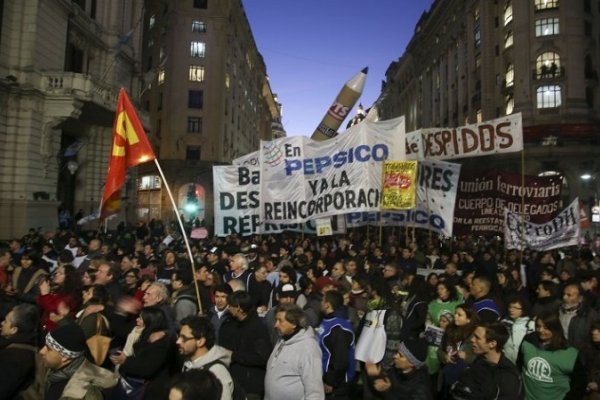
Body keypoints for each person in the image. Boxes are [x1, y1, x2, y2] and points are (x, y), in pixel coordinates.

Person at [109, 306, 176, 400]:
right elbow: (120, 329)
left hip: (145, 390)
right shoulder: (143, 333)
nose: (137, 320)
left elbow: (147, 368)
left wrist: (125, 361)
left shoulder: (160, 343)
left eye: (140, 318)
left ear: (150, 320)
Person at [518, 311, 586, 399]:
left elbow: (580, 384)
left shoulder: (569, 353)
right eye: (538, 326)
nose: (541, 330)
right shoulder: (528, 341)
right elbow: (519, 366)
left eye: (546, 327)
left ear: (555, 328)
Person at [40, 322, 118, 400]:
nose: (42, 351)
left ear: (65, 357)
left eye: (49, 349)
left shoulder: (85, 394)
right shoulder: (54, 372)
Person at [265, 303, 324, 400]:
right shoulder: (283, 340)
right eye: (276, 320)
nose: (275, 325)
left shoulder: (308, 348)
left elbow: (314, 390)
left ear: (294, 324)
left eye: (280, 321)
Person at [219, 291, 272, 399]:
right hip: (234, 383)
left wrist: (234, 356)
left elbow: (262, 357)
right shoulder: (231, 324)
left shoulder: (257, 328)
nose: (228, 308)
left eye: (231, 306)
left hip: (250, 387)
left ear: (239, 308)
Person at [451, 321, 523, 399]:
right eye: (473, 336)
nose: (472, 339)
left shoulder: (508, 377)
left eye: (477, 337)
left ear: (492, 344)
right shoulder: (479, 361)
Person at [177, 316, 234, 400]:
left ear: (200, 341)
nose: (178, 341)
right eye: (179, 336)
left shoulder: (217, 371)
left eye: (184, 338)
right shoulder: (188, 364)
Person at [365, 338, 433, 400]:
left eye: (401, 356)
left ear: (412, 363)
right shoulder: (396, 370)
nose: (395, 356)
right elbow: (382, 387)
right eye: (397, 352)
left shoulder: (421, 388)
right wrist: (375, 375)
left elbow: (388, 391)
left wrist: (388, 392)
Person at [317, 290, 355, 399]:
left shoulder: (338, 327)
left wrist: (331, 381)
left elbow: (340, 359)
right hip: (324, 377)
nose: (320, 303)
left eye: (322, 300)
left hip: (336, 385)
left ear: (327, 304)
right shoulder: (327, 321)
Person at [0, 304, 40, 399]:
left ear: (13, 330)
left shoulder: (15, 358)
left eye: (6, 321)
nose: (2, 323)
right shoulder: (29, 342)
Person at [37, 264, 82, 332]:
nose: (56, 274)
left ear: (68, 277)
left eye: (60, 273)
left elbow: (55, 310)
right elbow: (40, 302)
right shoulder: (57, 288)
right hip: (45, 326)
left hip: (55, 330)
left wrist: (45, 294)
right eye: (57, 272)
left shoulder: (71, 295)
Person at [559, 280, 598, 349]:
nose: (564, 297)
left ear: (580, 298)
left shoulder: (590, 315)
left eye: (569, 295)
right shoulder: (558, 310)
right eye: (564, 294)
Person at [501, 296, 534, 364]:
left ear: (523, 310)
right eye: (510, 307)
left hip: (523, 362)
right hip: (506, 361)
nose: (511, 310)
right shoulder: (503, 322)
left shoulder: (530, 325)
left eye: (515, 308)